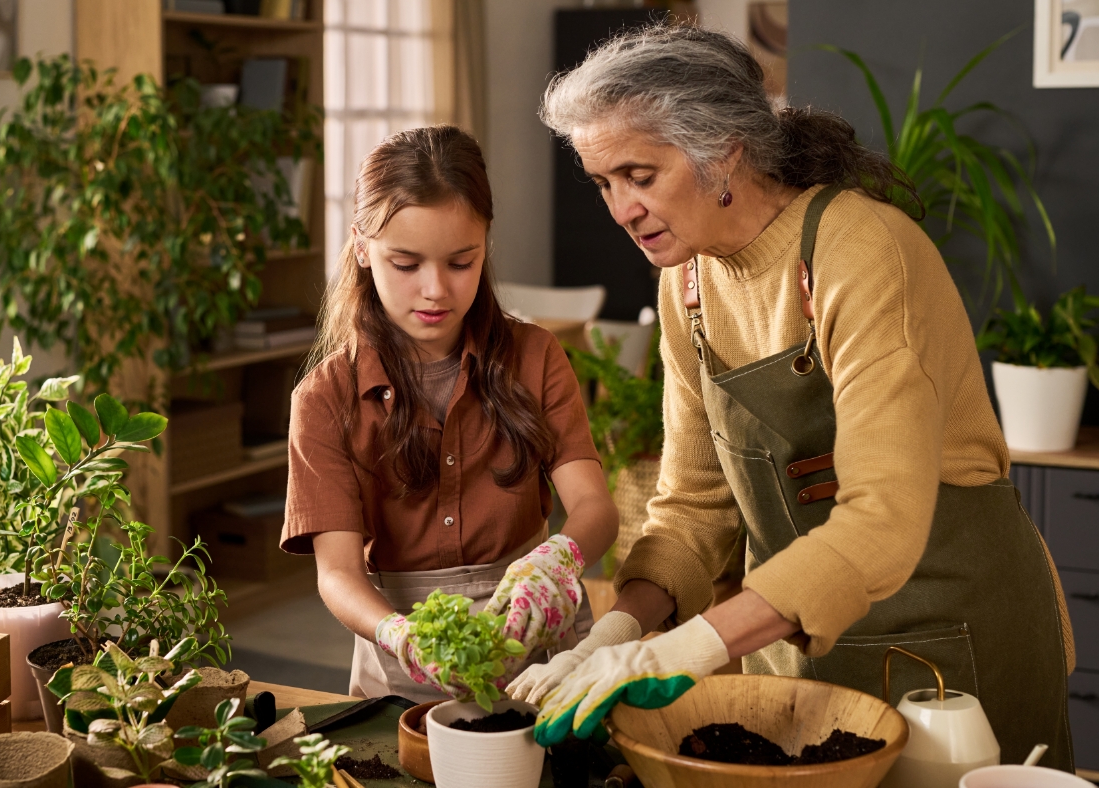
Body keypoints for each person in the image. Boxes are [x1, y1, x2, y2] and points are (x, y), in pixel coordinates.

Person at [509, 25, 1076, 770]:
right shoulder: (687, 284)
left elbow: (881, 522)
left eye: (640, 176)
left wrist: (685, 647)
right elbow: (692, 509)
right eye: (603, 182)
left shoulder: (862, 251)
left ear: (725, 149)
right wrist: (613, 634)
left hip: (950, 640)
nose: (621, 210)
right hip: (791, 645)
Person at [280, 125, 620, 702]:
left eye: (461, 262)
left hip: (537, 644)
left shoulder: (536, 356)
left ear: (485, 243)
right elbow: (337, 573)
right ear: (362, 247)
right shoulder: (324, 399)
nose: (435, 290)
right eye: (406, 264)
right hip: (399, 654)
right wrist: (400, 633)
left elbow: (594, 507)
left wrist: (558, 559)